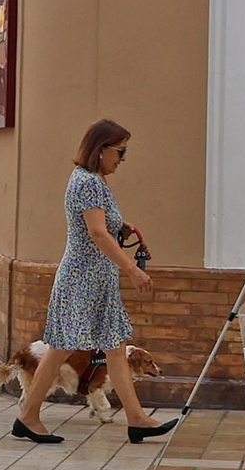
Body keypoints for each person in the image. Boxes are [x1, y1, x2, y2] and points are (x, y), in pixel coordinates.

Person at [14, 119, 177, 445]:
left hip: (97, 282)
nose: (123, 158)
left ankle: (136, 419)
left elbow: (101, 225)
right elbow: (97, 233)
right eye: (120, 151)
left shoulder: (93, 181)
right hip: (82, 281)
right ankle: (28, 416)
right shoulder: (87, 183)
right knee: (61, 349)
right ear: (100, 150)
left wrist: (121, 225)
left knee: (115, 350)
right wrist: (132, 268)